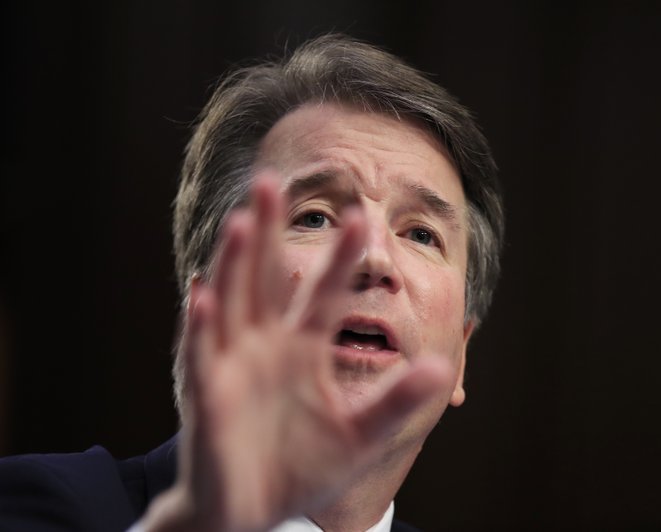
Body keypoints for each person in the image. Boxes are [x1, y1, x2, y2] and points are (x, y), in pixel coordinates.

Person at [0, 34, 504, 532]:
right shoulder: (37, 509)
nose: (374, 257)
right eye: (314, 218)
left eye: (421, 233)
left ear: (459, 356)